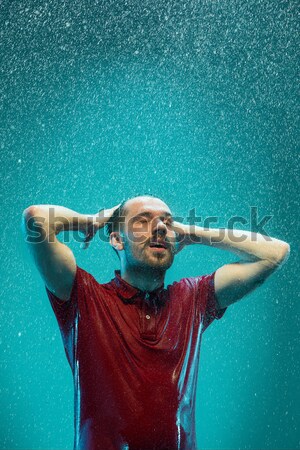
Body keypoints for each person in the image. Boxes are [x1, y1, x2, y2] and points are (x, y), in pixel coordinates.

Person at [22, 195, 290, 450]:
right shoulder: (84, 297)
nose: (160, 227)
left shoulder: (193, 299)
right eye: (143, 220)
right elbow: (36, 218)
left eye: (167, 222)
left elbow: (275, 253)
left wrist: (192, 233)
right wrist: (92, 222)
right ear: (116, 239)